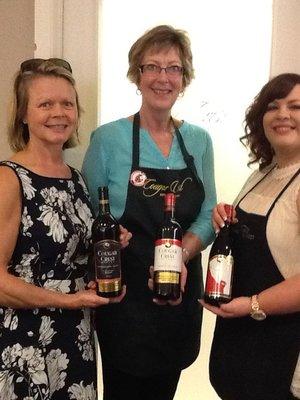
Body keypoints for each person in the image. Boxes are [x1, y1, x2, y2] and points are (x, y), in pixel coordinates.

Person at [82, 25, 216, 400]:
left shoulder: (200, 141)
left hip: (179, 288)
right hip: (126, 299)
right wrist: (108, 235)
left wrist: (181, 255)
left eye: (173, 68)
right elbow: (90, 215)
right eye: (152, 67)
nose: (163, 77)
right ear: (136, 76)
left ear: (184, 78)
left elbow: (207, 215)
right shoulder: (108, 139)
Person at [0, 58, 129, 400]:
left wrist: (110, 245)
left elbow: (72, 255)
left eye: (67, 103)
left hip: (76, 335)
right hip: (24, 343)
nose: (59, 113)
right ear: (23, 115)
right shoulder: (9, 179)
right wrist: (67, 300)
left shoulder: (76, 178)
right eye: (45, 104)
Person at [201, 73, 300, 400]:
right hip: (239, 336)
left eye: (295, 106)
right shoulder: (263, 173)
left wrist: (252, 305)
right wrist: (227, 216)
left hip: (282, 344)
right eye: (273, 106)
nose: (283, 114)